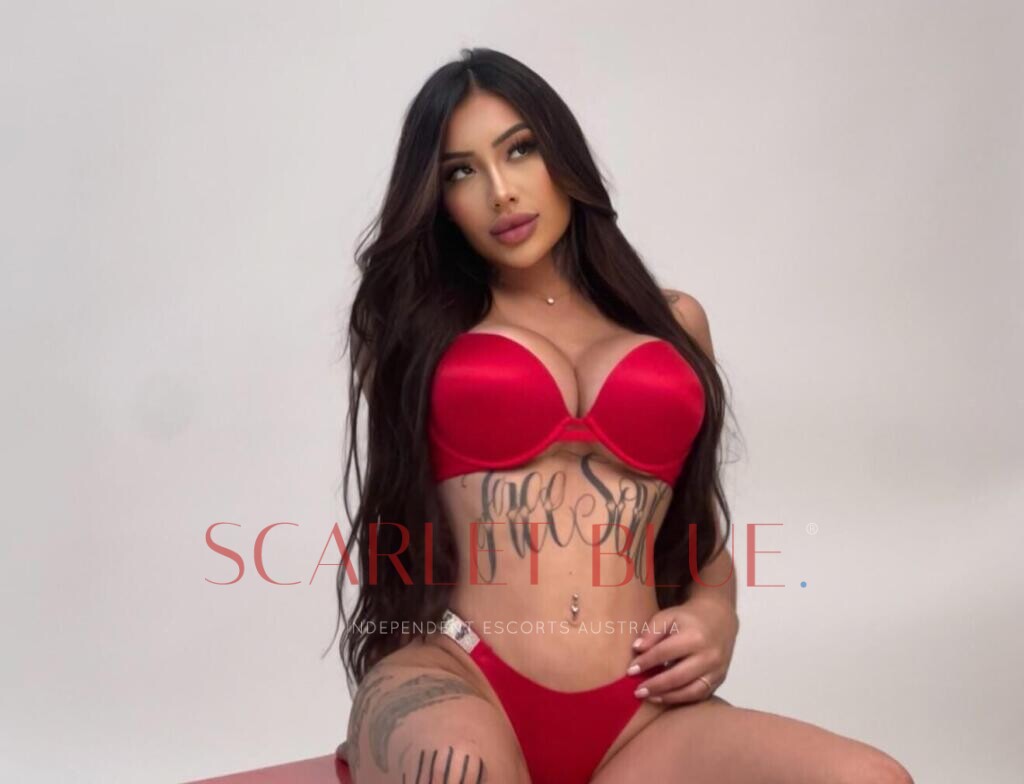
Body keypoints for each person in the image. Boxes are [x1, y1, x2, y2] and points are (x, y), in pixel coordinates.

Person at [331, 47, 913, 784]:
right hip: (458, 678)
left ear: (562, 153)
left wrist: (717, 614)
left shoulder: (675, 324)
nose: (502, 192)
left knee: (873, 779)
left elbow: (698, 535)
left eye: (520, 150)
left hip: (637, 713)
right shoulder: (411, 330)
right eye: (461, 172)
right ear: (439, 198)